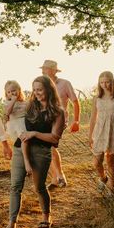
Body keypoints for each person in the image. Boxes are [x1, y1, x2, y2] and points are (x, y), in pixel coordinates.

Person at [3, 75, 64, 228]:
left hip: (41, 151)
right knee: (15, 186)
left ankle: (46, 216)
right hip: (20, 148)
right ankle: (12, 224)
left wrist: (34, 133)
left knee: (39, 187)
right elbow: (9, 115)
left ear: (49, 90)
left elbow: (54, 138)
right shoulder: (30, 106)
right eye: (34, 90)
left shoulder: (58, 112)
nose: (36, 93)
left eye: (40, 90)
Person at [88, 71, 114, 196]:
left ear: (112, 82)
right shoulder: (96, 98)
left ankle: (111, 188)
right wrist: (90, 135)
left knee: (110, 162)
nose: (104, 85)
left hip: (113, 130)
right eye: (102, 82)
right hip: (99, 131)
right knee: (97, 162)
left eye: (107, 82)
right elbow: (93, 118)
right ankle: (103, 178)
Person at [40, 60, 80, 188]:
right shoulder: (41, 85)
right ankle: (54, 179)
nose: (43, 71)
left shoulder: (65, 83)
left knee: (50, 146)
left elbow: (75, 102)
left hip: (60, 120)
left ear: (53, 70)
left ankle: (60, 176)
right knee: (47, 149)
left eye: (45, 68)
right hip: (44, 120)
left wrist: (76, 121)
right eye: (42, 69)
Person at [3, 80, 32, 175]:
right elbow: (7, 112)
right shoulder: (7, 103)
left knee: (25, 143)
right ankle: (26, 163)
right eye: (9, 92)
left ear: (19, 90)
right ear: (6, 94)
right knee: (23, 142)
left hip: (25, 123)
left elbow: (29, 112)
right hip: (15, 124)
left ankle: (26, 164)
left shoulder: (24, 102)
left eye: (13, 90)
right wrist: (13, 101)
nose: (11, 93)